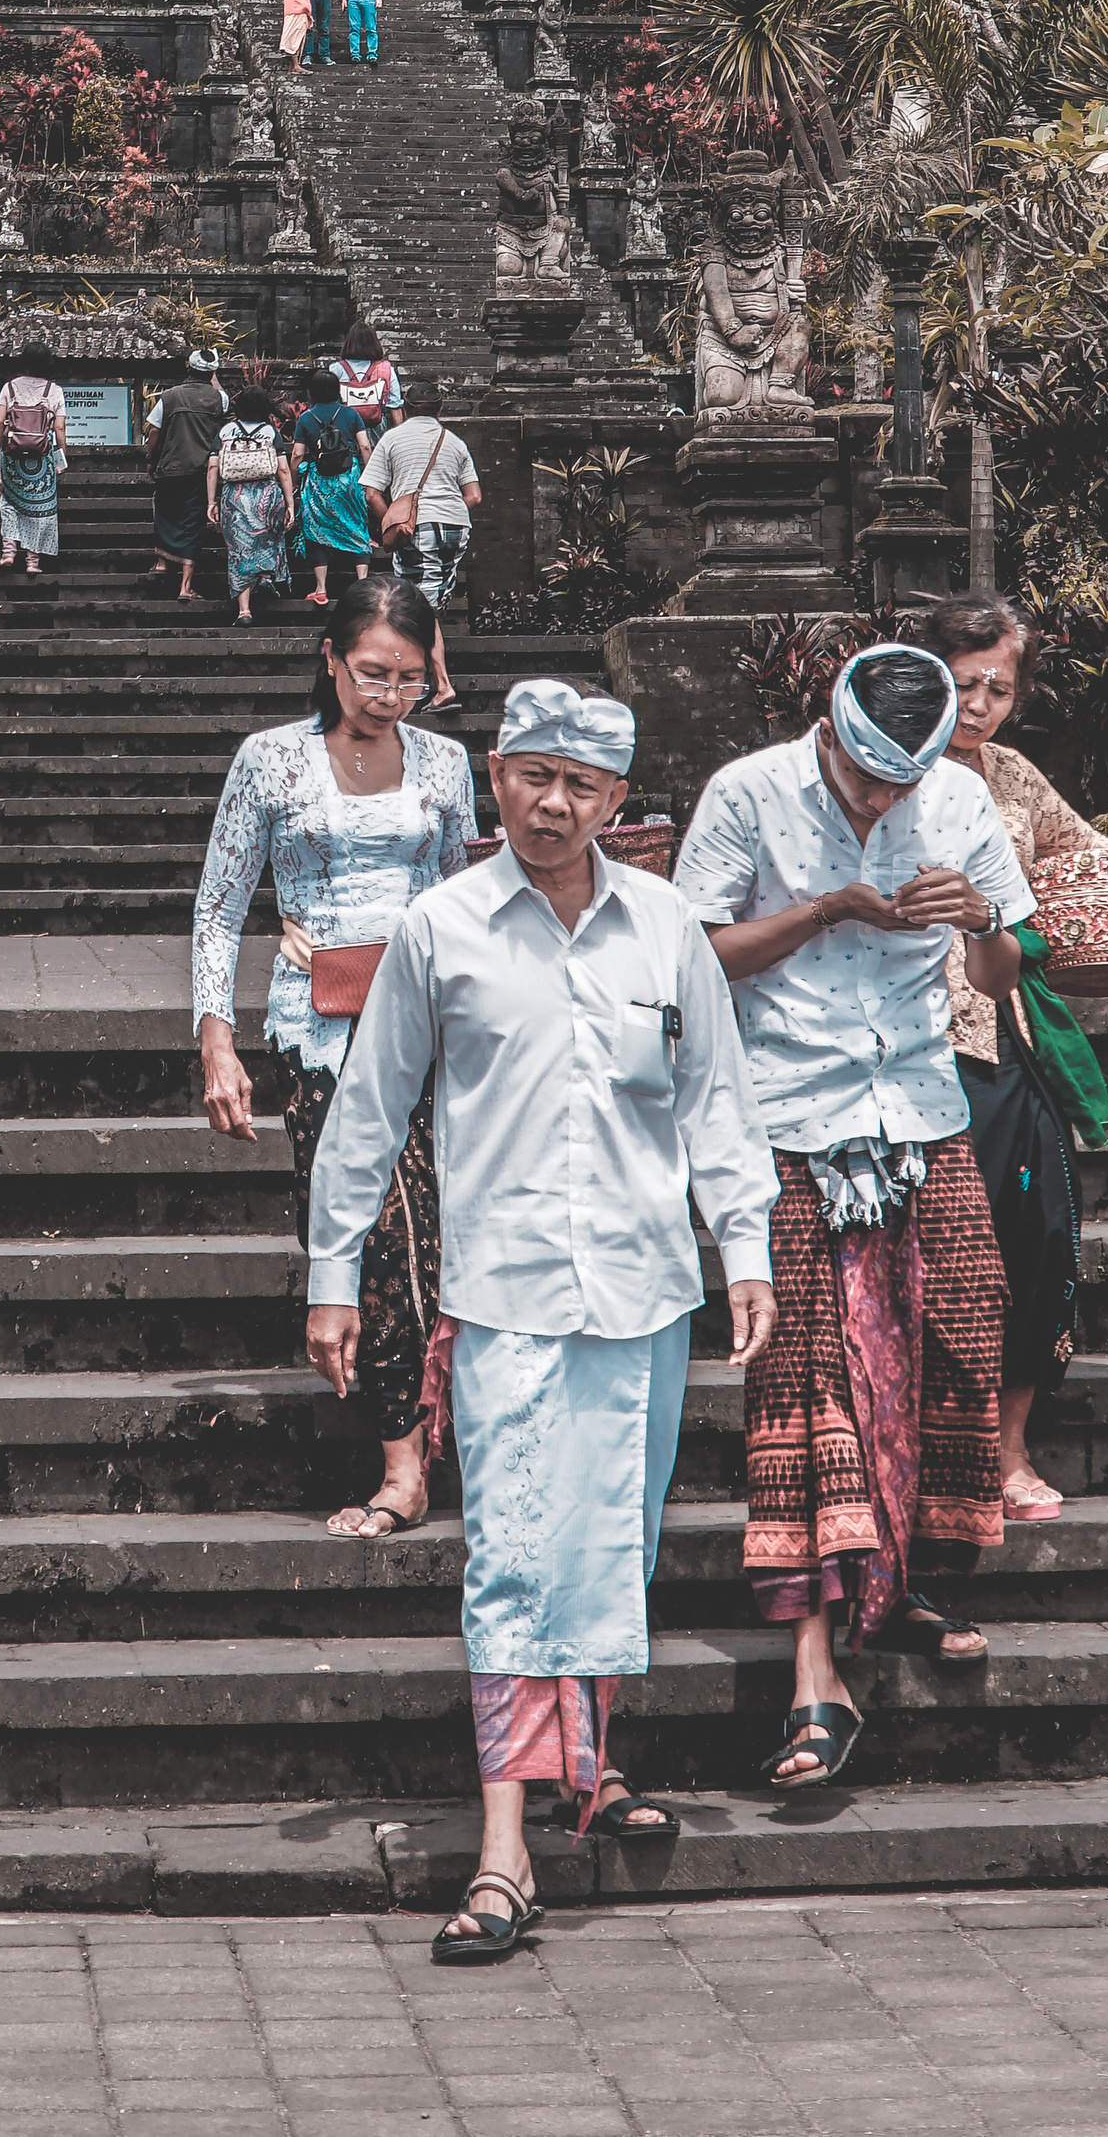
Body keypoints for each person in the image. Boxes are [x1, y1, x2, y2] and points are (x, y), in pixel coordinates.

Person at [308, 678, 777, 1958]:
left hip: (643, 1295)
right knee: (512, 1555)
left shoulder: (667, 926)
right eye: (532, 776)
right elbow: (369, 1110)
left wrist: (747, 1250)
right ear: (495, 777)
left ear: (620, 804)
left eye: (581, 785)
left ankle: (589, 1764)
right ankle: (503, 1850)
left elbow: (717, 1104)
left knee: (611, 1544)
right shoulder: (442, 927)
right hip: (506, 1294)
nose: (552, 804)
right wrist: (332, 1271)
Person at [674, 643, 1035, 1795]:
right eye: (864, 781)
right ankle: (813, 1671)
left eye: (900, 787)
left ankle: (902, 1581)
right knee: (804, 1381)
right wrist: (827, 908)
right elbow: (692, 961)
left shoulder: (962, 797)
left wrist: (978, 917)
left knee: (962, 1338)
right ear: (825, 731)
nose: (881, 803)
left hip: (923, 1109)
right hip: (786, 1114)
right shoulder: (748, 792)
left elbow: (1005, 967)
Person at [196, 576, 475, 1537]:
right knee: (366, 1223)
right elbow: (220, 903)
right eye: (370, 673)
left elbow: (455, 900)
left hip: (427, 1022)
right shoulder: (271, 761)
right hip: (316, 1024)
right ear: (329, 658)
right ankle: (405, 1453)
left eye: (407, 676)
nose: (389, 693)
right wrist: (215, 1037)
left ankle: (415, 1450)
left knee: (422, 1226)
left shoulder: (443, 764)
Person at [921, 592, 1108, 1522]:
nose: (980, 704)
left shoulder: (1016, 779)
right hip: (914, 1048)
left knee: (1034, 1242)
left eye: (997, 687)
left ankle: (1006, 1451)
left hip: (1010, 1037)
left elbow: (1091, 868)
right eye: (962, 684)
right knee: (932, 1258)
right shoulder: (884, 776)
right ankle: (925, 1453)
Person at [361, 377, 478, 716]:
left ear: (407, 410)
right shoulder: (454, 442)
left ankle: (442, 686)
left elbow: (371, 491)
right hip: (456, 527)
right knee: (428, 603)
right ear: (440, 409)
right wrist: (448, 512)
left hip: (419, 527)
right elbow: (474, 495)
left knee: (421, 608)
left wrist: (394, 523)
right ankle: (430, 680)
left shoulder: (392, 438)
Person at [210, 375, 295, 626]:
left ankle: (244, 611)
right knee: (268, 538)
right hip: (267, 494)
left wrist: (210, 501)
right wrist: (290, 504)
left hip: (234, 496)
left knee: (238, 550)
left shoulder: (226, 431)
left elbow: (213, 466)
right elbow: (283, 470)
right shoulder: (270, 432)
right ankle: (266, 577)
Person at [145, 351, 226, 599]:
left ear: (188, 367)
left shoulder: (169, 396)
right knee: (192, 525)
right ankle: (186, 586)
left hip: (171, 465)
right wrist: (215, 378)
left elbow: (154, 433)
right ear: (212, 372)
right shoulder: (219, 398)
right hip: (201, 469)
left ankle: (162, 562)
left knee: (166, 514)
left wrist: (150, 459)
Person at [0, 343, 68, 578]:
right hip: (41, 459)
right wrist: (61, 456)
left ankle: (8, 552)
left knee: (9, 502)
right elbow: (60, 427)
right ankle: (33, 560)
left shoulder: (9, 388)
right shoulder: (54, 390)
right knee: (38, 507)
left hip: (12, 456)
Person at [292, 379, 373, 605]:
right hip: (349, 479)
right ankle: (363, 583)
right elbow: (365, 445)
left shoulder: (306, 418)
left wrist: (293, 481)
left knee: (317, 529)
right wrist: (369, 477)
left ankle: (320, 588)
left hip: (320, 481)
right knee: (357, 525)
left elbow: (298, 454)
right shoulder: (350, 414)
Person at [331, 321, 402, 437]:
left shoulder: (336, 369)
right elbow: (395, 405)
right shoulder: (386, 369)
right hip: (376, 427)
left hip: (346, 428)